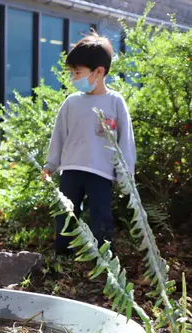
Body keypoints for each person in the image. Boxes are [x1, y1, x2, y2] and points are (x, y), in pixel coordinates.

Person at [42, 31, 136, 256]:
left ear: (99, 72)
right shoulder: (71, 102)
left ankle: (104, 259)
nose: (74, 78)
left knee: (101, 217)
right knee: (65, 215)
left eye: (78, 72)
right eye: (73, 73)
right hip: (71, 171)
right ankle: (63, 256)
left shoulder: (115, 102)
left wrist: (126, 175)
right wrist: (50, 165)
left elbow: (126, 141)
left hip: (101, 173)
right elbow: (59, 136)